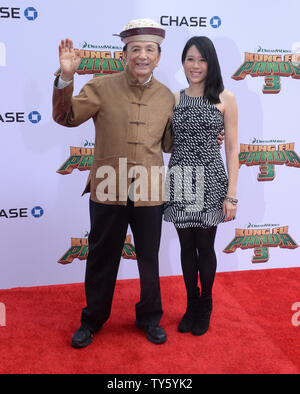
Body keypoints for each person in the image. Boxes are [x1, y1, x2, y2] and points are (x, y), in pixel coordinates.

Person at [52, 19, 175, 348]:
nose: (142, 56)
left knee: (148, 257)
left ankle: (149, 317)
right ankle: (92, 320)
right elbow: (66, 117)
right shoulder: (102, 87)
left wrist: (206, 136)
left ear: (159, 57)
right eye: (136, 49)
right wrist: (66, 77)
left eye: (150, 50)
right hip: (108, 187)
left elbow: (170, 144)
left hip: (149, 189)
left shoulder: (167, 97)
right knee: (101, 257)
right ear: (124, 55)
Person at [163, 36, 239, 336]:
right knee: (186, 247)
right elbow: (167, 142)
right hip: (181, 176)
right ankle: (191, 303)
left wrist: (231, 195)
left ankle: (206, 303)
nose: (195, 66)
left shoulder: (225, 97)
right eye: (190, 59)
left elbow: (232, 149)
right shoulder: (175, 98)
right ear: (183, 61)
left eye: (201, 59)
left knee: (204, 247)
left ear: (211, 63)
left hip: (211, 178)